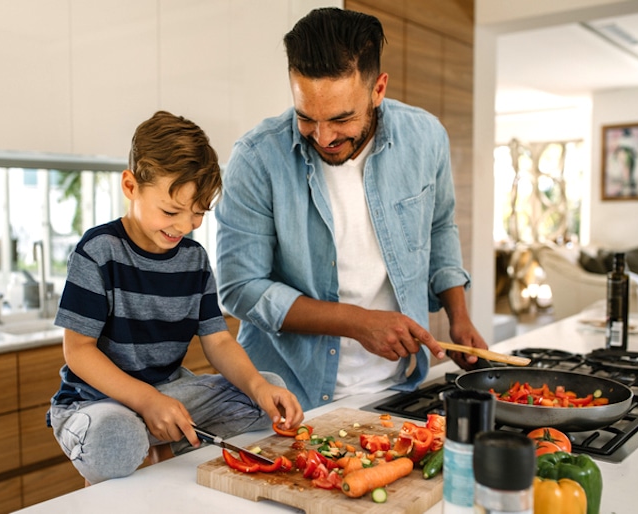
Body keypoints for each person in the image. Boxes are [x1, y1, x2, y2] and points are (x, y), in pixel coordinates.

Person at [215, 8, 488, 411]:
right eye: (306, 117)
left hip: (399, 389)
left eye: (341, 118)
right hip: (285, 397)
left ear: (378, 90)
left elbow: (439, 226)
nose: (323, 137)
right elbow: (240, 289)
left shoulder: (426, 137)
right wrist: (357, 322)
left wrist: (458, 314)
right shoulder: (256, 159)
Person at [48, 111, 303, 485]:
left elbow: (217, 340)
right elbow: (79, 351)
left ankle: (156, 446)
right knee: (115, 436)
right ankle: (145, 445)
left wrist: (259, 386)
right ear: (131, 186)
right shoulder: (98, 251)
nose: (184, 227)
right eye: (170, 211)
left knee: (264, 393)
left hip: (168, 392)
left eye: (198, 213)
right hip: (97, 402)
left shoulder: (194, 259)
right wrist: (146, 402)